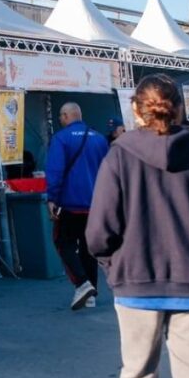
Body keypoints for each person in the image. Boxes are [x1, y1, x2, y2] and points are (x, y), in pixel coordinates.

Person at [87, 74, 189, 378]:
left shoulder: (119, 156)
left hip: (136, 285)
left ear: (135, 109)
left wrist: (116, 268)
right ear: (180, 108)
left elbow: (99, 233)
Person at [44, 102, 109, 310]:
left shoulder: (60, 139)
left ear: (66, 116)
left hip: (70, 204)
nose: (60, 120)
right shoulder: (99, 139)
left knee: (63, 243)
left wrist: (52, 198)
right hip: (96, 204)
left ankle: (82, 283)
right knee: (88, 249)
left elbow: (55, 171)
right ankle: (90, 294)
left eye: (61, 116)